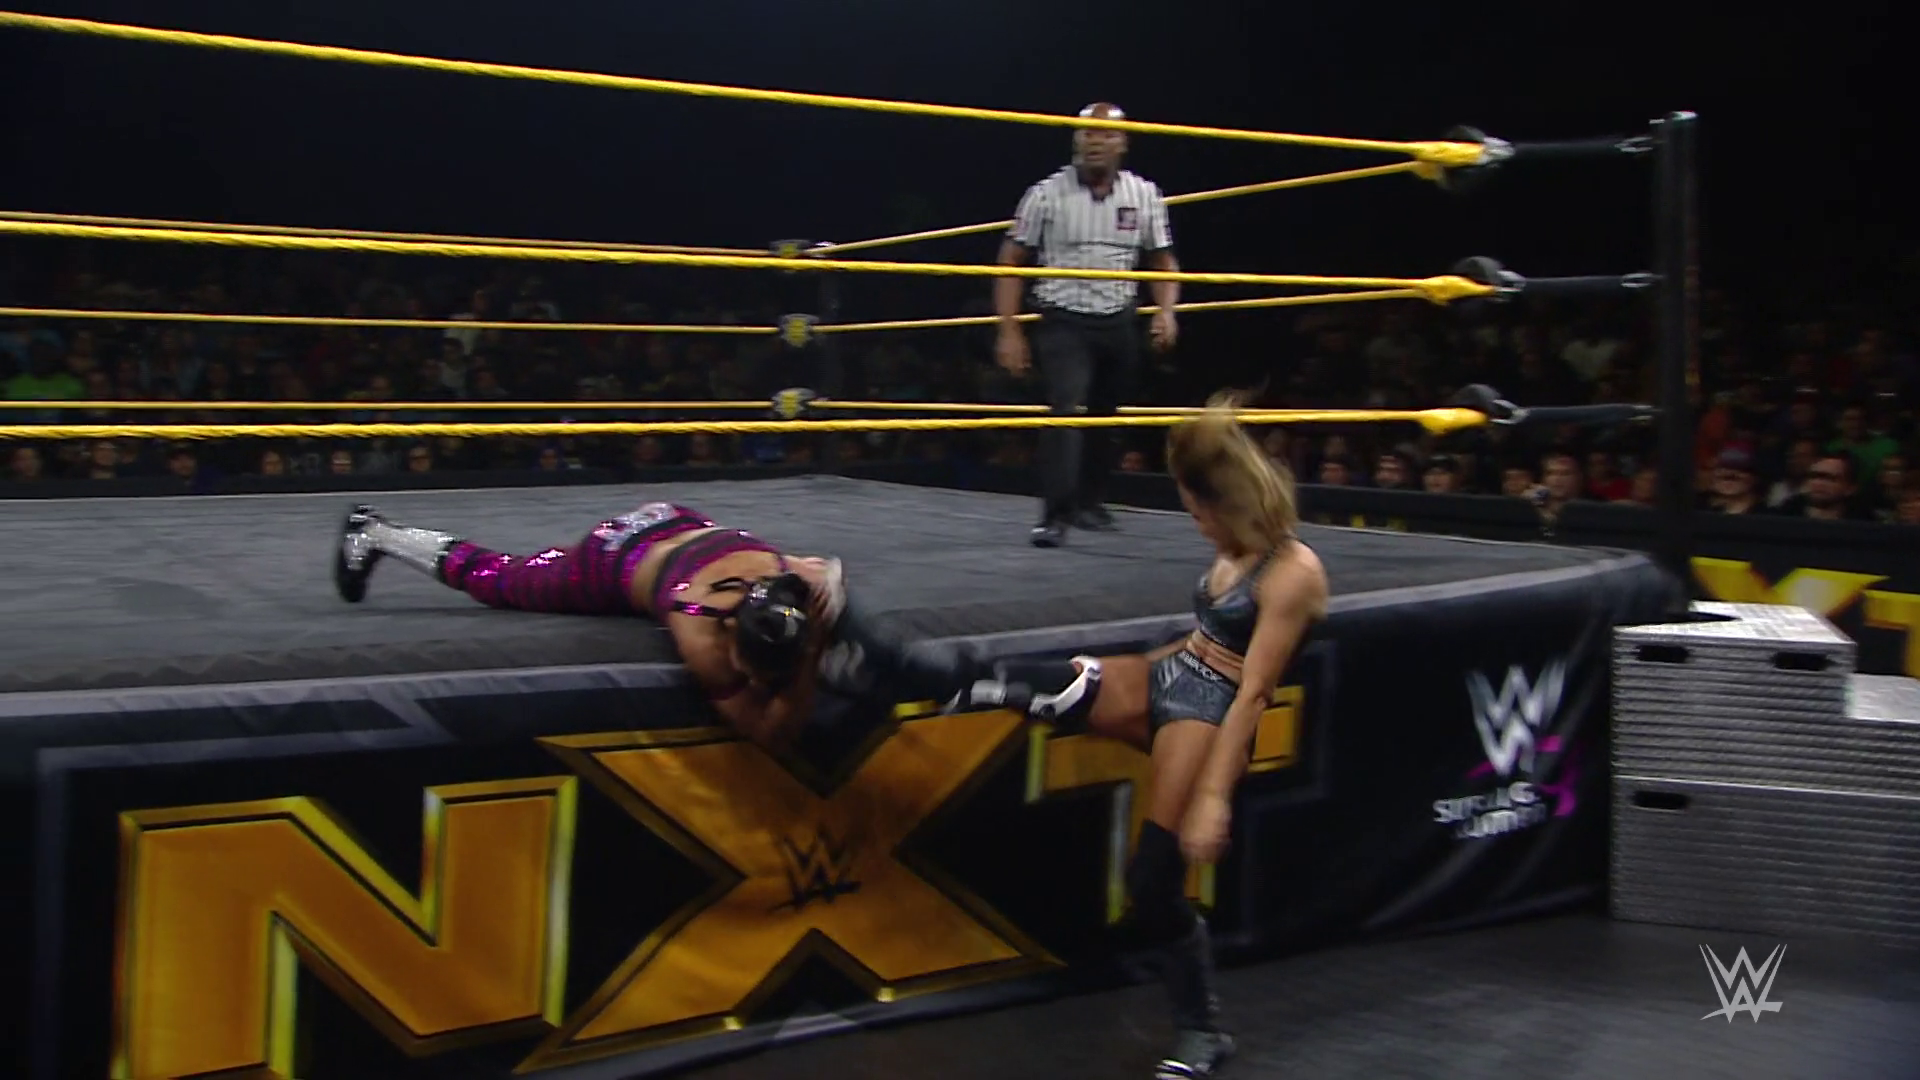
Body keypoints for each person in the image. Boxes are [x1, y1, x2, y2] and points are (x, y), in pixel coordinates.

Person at [945, 392, 1329, 1080]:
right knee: (1035, 684)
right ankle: (881, 664)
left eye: (1198, 511)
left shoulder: (1293, 572)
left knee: (1152, 880)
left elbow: (1252, 691)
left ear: (1228, 502)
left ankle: (1202, 1029)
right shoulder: (1235, 546)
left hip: (1211, 710)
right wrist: (1130, 670)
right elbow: (1203, 638)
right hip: (1178, 670)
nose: (1196, 524)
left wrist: (1213, 798)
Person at [332, 501, 961, 752]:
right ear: (730, 638)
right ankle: (378, 532)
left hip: (684, 522)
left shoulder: (799, 580)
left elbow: (825, 582)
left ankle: (970, 684)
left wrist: (819, 637)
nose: (747, 679)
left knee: (864, 635)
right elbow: (768, 733)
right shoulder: (697, 629)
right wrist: (811, 661)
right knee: (501, 578)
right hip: (617, 554)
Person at [995, 101, 1179, 548]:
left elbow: (1162, 260)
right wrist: (1010, 330)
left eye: (1105, 134)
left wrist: (1166, 310)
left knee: (1105, 414)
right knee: (1066, 408)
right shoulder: (1045, 194)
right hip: (1064, 318)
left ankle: (1089, 503)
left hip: (1118, 318)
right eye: (1087, 134)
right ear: (1075, 140)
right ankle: (1055, 513)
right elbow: (1010, 262)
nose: (1095, 142)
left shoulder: (1144, 194)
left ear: (1123, 142)